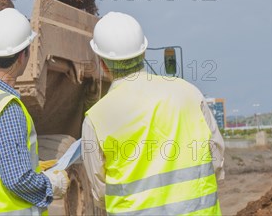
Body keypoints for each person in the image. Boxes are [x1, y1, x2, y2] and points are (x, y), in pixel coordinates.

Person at [82, 12, 225, 215]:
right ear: (144, 53)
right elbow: (216, 161)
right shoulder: (189, 93)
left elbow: (100, 193)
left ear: (102, 64)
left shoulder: (96, 119)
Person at [0, 8, 69, 215]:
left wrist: (28, 163)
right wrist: (51, 184)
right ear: (22, 56)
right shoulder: (7, 108)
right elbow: (17, 179)